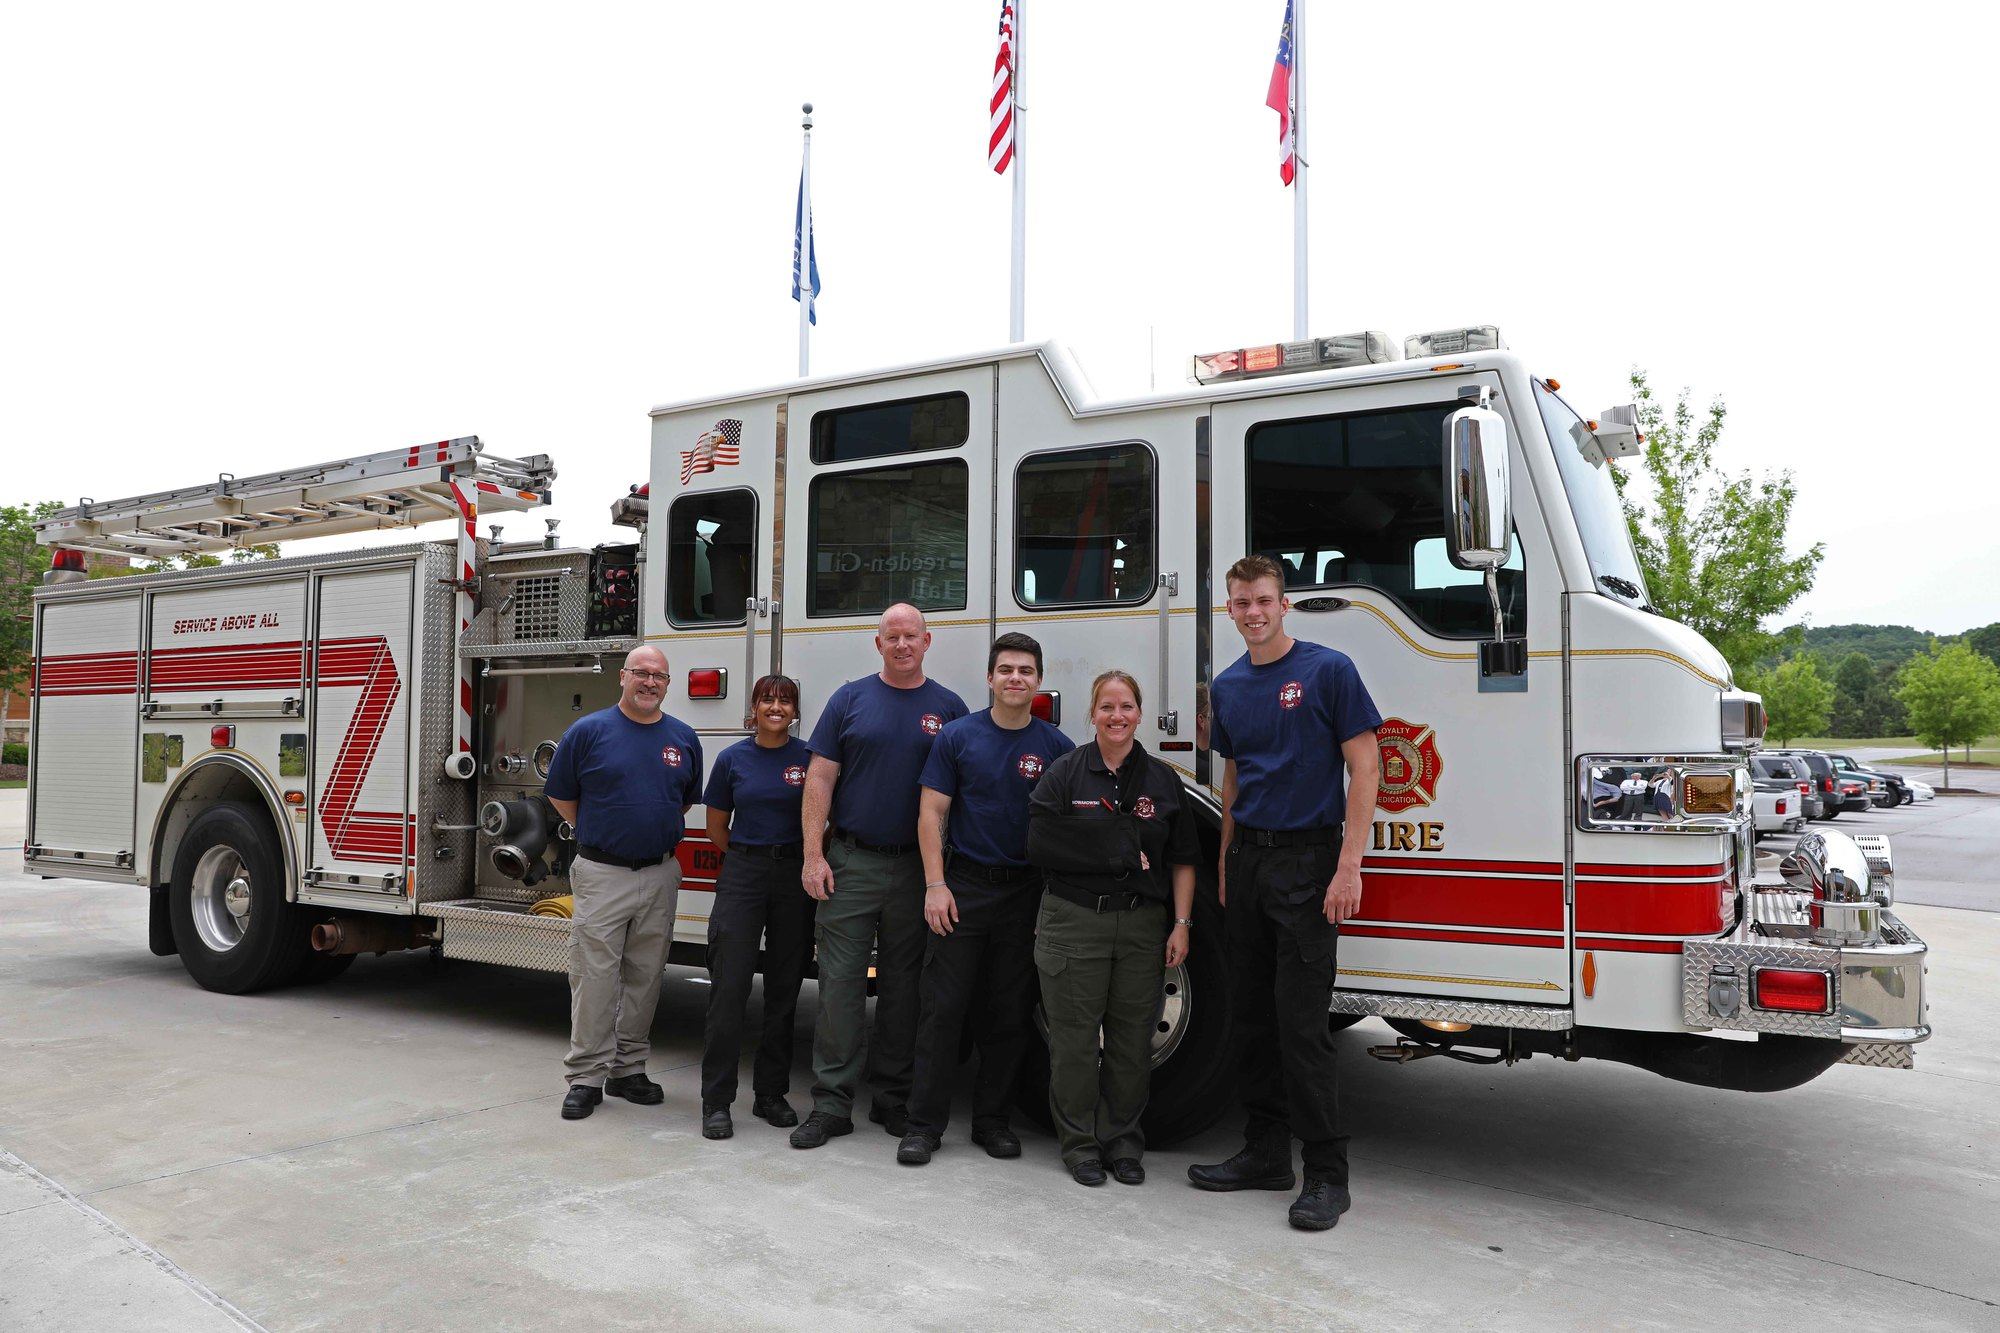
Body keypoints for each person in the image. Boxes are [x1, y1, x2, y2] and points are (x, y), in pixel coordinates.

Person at [1188, 554, 1381, 1231]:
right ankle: (1266, 1154)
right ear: (1231, 608)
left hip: (1309, 862)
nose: (1253, 612)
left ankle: (1327, 1172)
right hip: (1248, 864)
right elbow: (1235, 780)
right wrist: (1223, 863)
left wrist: (1348, 866)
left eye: (1263, 599)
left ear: (1284, 603)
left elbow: (1366, 765)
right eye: (1241, 602)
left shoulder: (1328, 670)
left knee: (1302, 1026)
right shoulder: (1231, 685)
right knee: (1251, 1018)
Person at [792, 603, 969, 1149]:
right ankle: (831, 1104)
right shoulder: (849, 699)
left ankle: (892, 1098)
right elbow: (820, 778)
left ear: (927, 641)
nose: (901, 645)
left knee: (904, 990)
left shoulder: (949, 708)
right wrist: (813, 854)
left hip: (918, 870)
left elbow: (959, 794)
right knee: (841, 987)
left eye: (910, 636)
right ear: (878, 644)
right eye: (891, 636)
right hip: (850, 864)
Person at [897, 633, 1074, 1166]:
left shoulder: (1057, 748)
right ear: (990, 678)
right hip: (963, 890)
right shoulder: (957, 737)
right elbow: (932, 813)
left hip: (1025, 894)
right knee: (941, 1011)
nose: (1015, 678)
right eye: (1006, 670)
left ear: (1039, 680)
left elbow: (1069, 832)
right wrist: (935, 885)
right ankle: (923, 1125)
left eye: (1025, 670)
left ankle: (992, 1121)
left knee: (1009, 1013)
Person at [1026, 669, 1197, 1187]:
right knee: (1075, 1041)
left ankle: (1122, 1143)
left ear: (1140, 714)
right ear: (1092, 714)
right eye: (1107, 707)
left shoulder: (1164, 781)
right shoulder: (1064, 774)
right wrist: (1115, 851)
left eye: (1126, 707)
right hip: (1074, 920)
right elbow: (1039, 844)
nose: (1116, 716)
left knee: (1130, 1042)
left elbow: (1184, 860)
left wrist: (1182, 923)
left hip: (1142, 925)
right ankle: (1079, 1145)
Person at [542, 644, 703, 1121]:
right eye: (641, 673)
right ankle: (587, 1076)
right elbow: (562, 796)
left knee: (646, 975)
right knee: (593, 977)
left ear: (667, 684)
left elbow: (682, 802)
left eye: (659, 676)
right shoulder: (589, 731)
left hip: (659, 873)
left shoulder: (683, 737)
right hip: (601, 873)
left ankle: (628, 1069)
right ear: (622, 677)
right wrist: (605, 833)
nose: (649, 682)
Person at [697, 674, 815, 1141]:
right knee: (729, 990)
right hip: (743, 874)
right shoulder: (732, 759)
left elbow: (820, 822)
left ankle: (770, 1095)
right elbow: (715, 828)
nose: (775, 707)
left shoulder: (808, 758)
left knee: (785, 992)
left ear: (795, 711)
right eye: (767, 699)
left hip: (794, 878)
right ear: (753, 707)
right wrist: (751, 856)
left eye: (785, 701)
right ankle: (716, 1101)